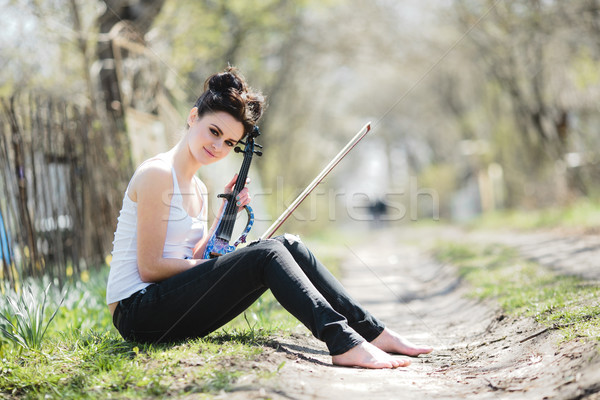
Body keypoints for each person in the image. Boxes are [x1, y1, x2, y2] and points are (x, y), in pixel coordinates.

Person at [106, 67, 432, 369]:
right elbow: (150, 268)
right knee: (265, 254)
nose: (219, 146)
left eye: (230, 142)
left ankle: (373, 332)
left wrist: (223, 219)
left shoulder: (199, 188)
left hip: (168, 306)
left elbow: (190, 260)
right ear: (193, 118)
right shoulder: (157, 174)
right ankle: (342, 342)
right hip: (138, 314)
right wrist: (236, 261)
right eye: (214, 131)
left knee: (286, 243)